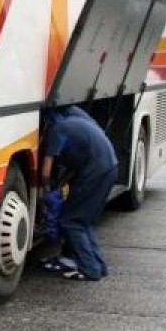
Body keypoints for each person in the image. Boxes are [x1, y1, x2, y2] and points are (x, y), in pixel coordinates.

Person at [40, 105, 119, 281]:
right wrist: (60, 185)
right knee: (83, 221)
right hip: (110, 167)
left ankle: (90, 269)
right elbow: (74, 167)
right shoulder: (78, 123)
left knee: (72, 221)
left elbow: (46, 171)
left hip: (94, 172)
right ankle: (99, 267)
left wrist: (48, 191)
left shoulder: (56, 130)